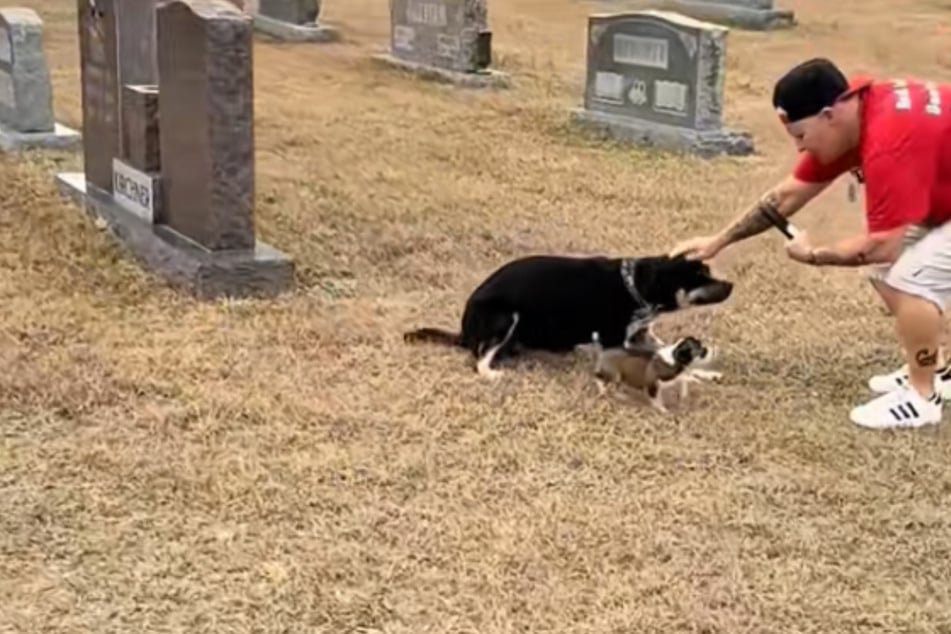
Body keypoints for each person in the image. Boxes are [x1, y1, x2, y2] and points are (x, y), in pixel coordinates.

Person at [669, 57, 951, 430]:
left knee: (909, 280)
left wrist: (815, 256)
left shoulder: (889, 140)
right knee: (884, 273)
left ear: (827, 115)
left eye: (801, 136)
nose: (801, 148)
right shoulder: (856, 113)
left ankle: (922, 397)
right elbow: (786, 197)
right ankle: (936, 367)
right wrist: (718, 242)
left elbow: (881, 245)